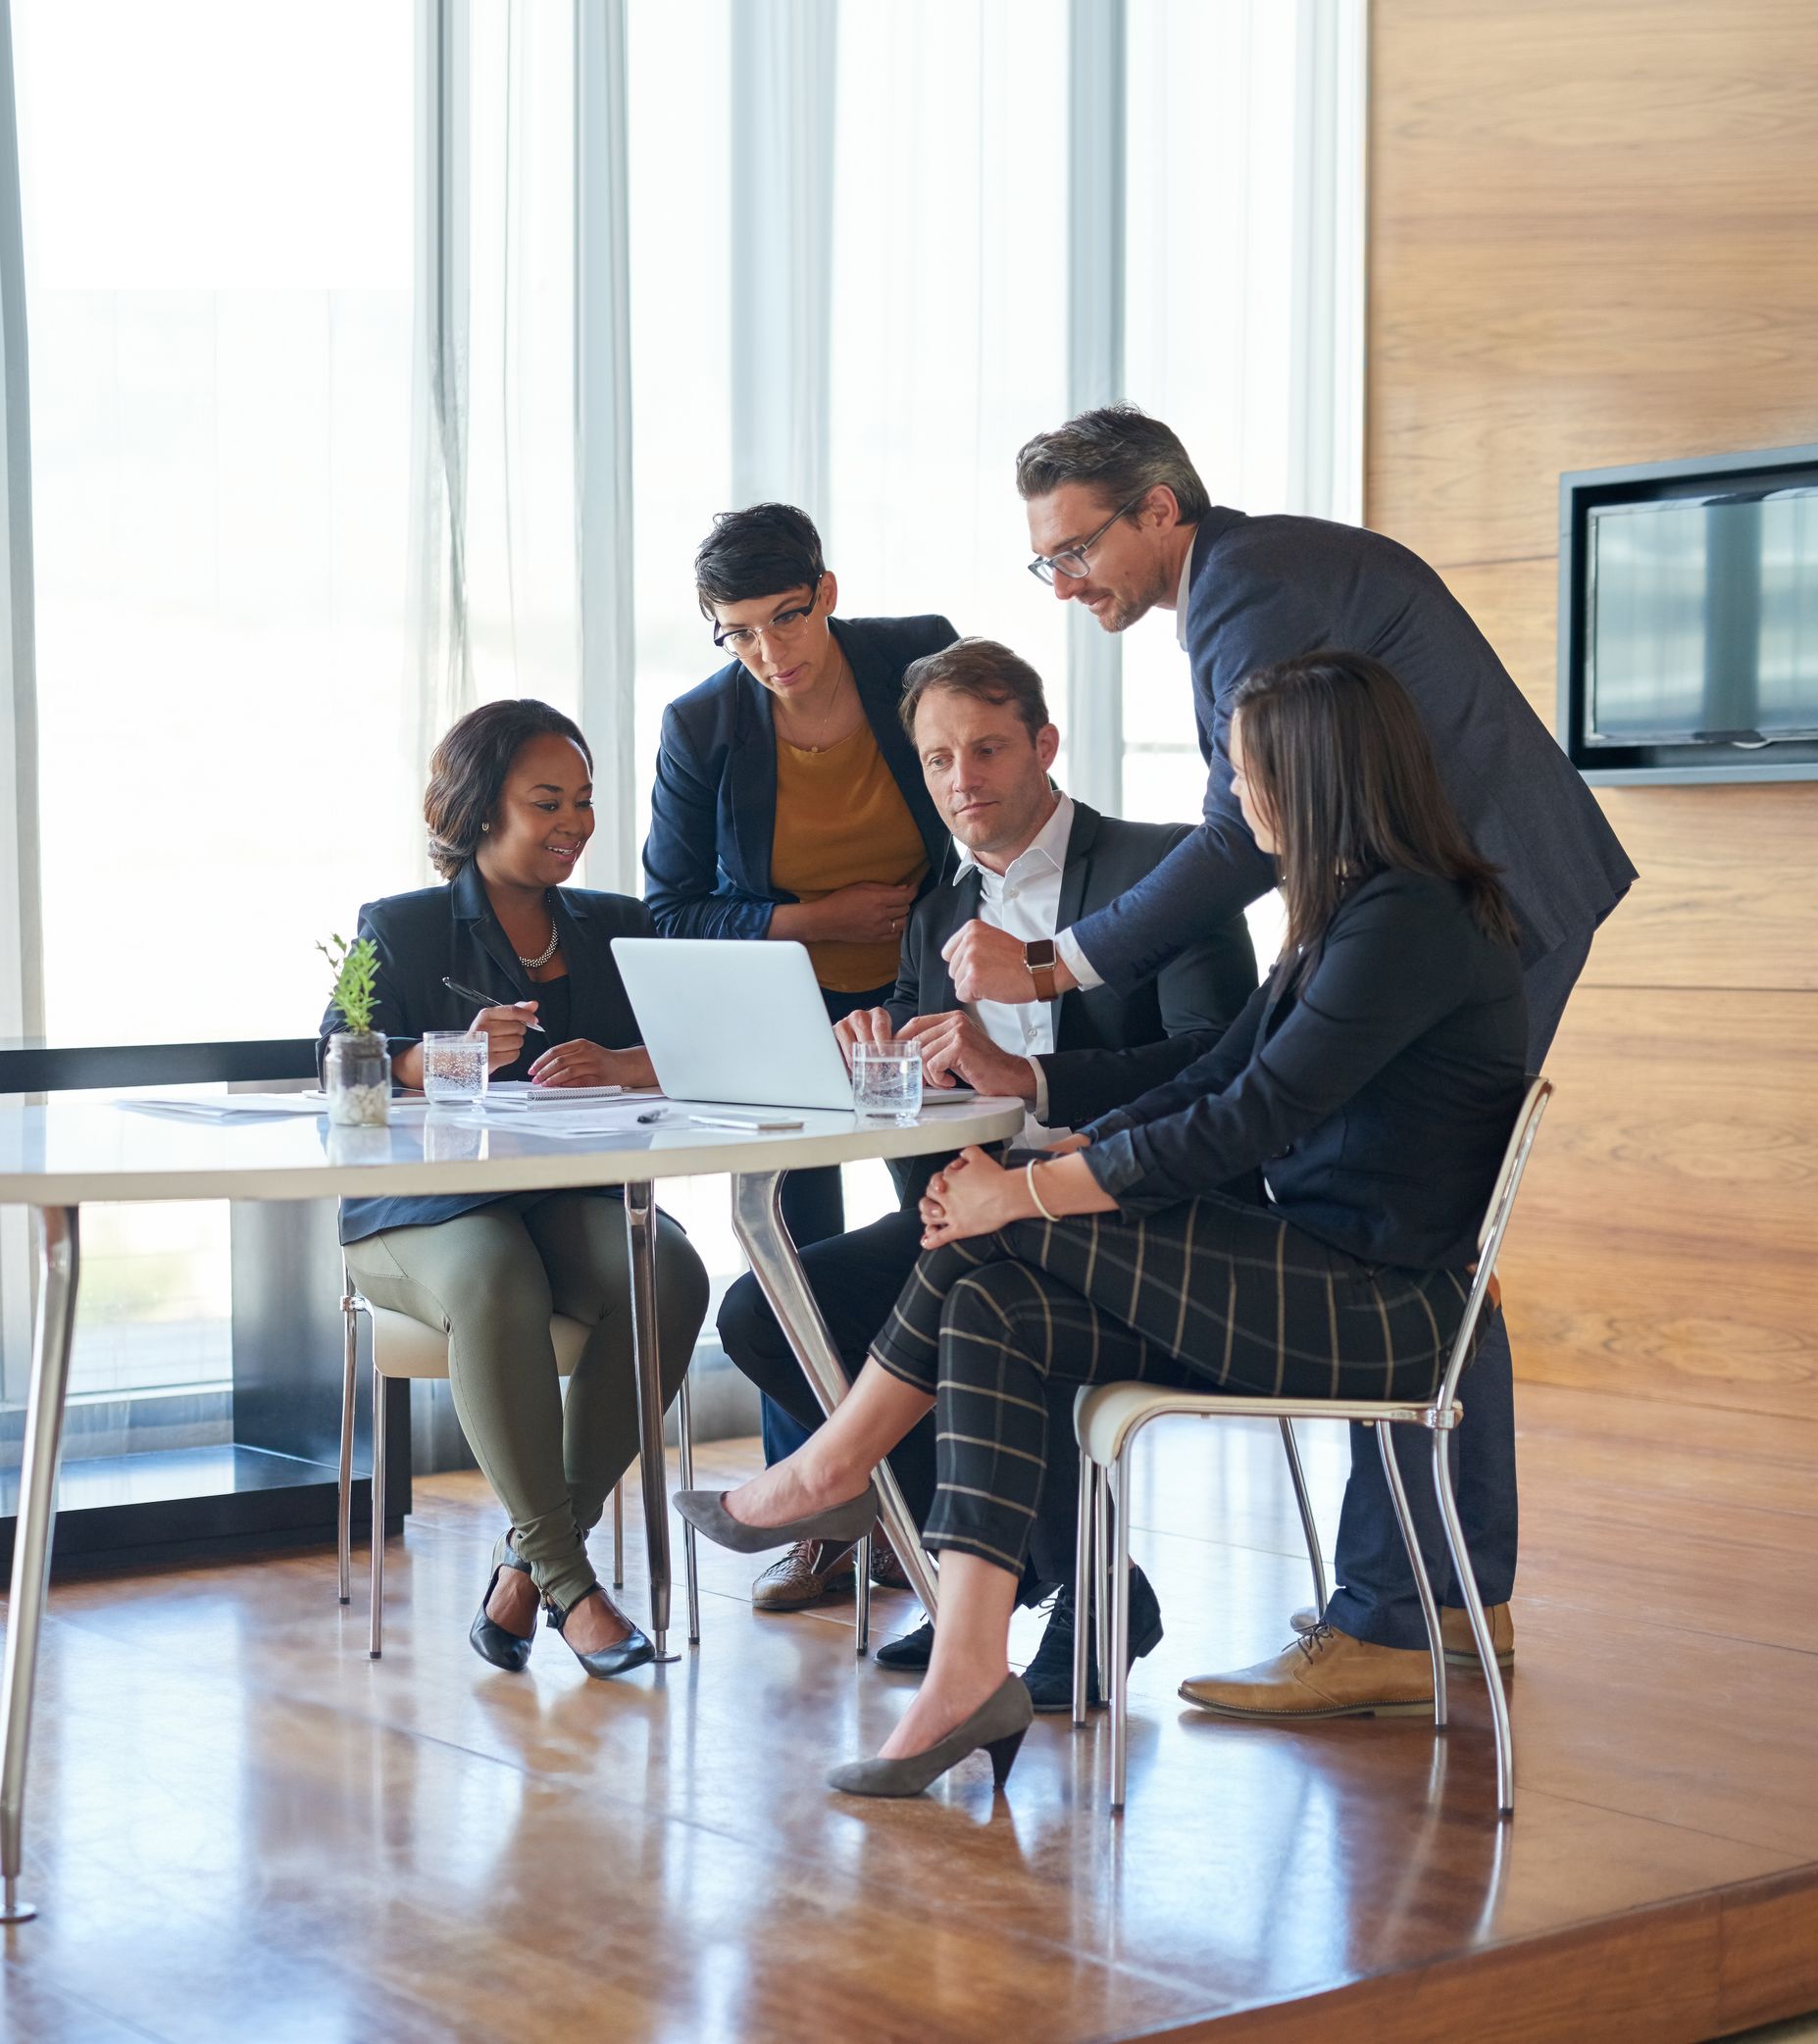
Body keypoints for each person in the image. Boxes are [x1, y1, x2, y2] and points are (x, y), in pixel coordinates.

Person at [679, 650, 1530, 1796]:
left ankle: (832, 1466)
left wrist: (1019, 1191)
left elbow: (1241, 1121)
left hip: (1378, 1306)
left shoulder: (1409, 923)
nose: (1238, 802)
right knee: (989, 1297)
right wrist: (1070, 1143)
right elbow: (1217, 1076)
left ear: (1314, 775)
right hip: (1317, 1277)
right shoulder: (1351, 915)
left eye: (1248, 776)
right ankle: (970, 1668)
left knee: (988, 1238)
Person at [938, 406, 1637, 1720]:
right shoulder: (1255, 578)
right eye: (1044, 562)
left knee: (1428, 1245)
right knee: (1438, 1246)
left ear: (1159, 513)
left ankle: (1402, 1610)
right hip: (1472, 893)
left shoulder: (1248, 589)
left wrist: (1054, 967)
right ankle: (1434, 1595)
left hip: (1490, 906)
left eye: (1075, 548)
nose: (1064, 581)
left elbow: (1237, 841)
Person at [713, 637, 1256, 1701]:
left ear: (1044, 744)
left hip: (1150, 1202)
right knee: (769, 1313)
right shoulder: (938, 915)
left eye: (990, 749)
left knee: (974, 1305)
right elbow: (945, 1109)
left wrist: (1033, 1076)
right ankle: (1023, 1575)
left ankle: (1041, 1584)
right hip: (992, 1208)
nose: (964, 780)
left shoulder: (1164, 868)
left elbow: (1217, 1061)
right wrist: (878, 1068)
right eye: (939, 759)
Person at [323, 699, 710, 1680]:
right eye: (548, 802)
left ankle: (523, 1567)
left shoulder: (619, 925)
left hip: (557, 1198)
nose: (574, 824)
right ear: (479, 806)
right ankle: (573, 1588)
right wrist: (433, 1059)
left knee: (664, 1270)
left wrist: (624, 1064)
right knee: (497, 1275)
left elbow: (694, 1050)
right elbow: (331, 1060)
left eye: (583, 801)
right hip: (419, 1214)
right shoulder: (402, 928)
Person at [642, 502, 956, 1504]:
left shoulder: (921, 660)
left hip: (923, 1000)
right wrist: (817, 917)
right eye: (737, 632)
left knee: (944, 1235)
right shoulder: (702, 724)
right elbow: (671, 909)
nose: (767, 652)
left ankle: (948, 1495)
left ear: (826, 593)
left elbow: (994, 813)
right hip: (785, 1013)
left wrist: (917, 940)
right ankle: (816, 1510)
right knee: (793, 1261)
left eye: (785, 618)